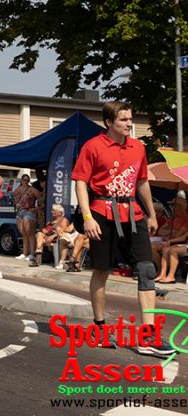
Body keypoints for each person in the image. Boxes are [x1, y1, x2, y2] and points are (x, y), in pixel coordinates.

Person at [73, 102, 176, 357]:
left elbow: (141, 181)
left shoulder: (138, 147)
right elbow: (80, 183)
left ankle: (147, 337)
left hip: (133, 214)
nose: (129, 124)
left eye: (130, 119)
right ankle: (99, 327)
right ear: (109, 122)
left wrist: (151, 213)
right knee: (101, 270)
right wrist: (87, 217)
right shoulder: (93, 146)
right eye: (123, 120)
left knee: (146, 269)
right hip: (101, 213)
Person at [12, 174, 39, 262]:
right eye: (24, 179)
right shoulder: (18, 189)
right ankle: (24, 253)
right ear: (21, 180)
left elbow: (41, 197)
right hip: (20, 212)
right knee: (24, 234)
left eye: (27, 179)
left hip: (28, 211)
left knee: (30, 233)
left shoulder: (32, 190)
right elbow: (14, 198)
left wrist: (36, 209)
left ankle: (32, 254)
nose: (25, 181)